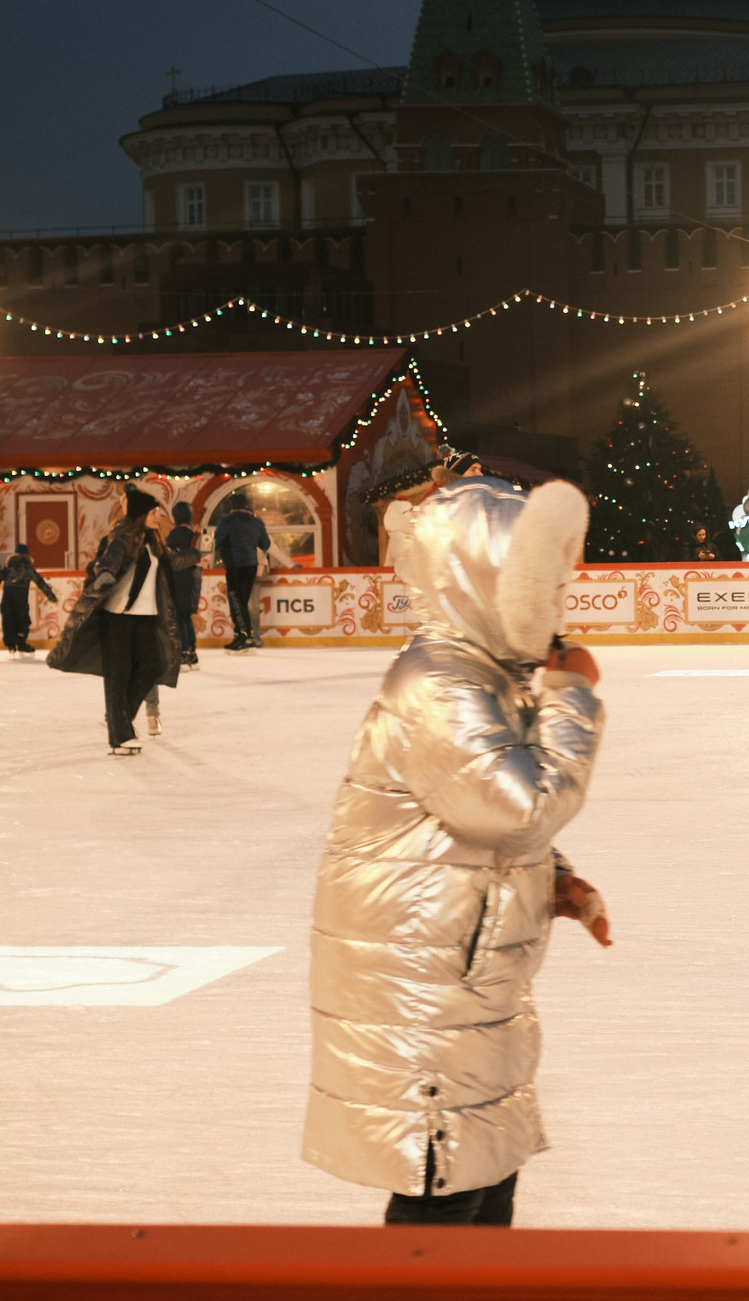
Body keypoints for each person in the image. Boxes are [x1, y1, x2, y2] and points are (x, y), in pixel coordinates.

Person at [303, 477, 608, 1229]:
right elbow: (522, 808)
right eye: (541, 587)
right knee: (444, 1195)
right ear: (487, 584)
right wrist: (573, 697)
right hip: (423, 990)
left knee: (484, 1179)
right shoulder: (438, 686)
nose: (558, 605)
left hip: (461, 981)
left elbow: (475, 820)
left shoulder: (483, 677)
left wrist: (555, 880)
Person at [48, 487, 185, 754]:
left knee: (153, 666)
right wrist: (106, 573)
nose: (158, 518)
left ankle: (118, 719)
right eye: (154, 513)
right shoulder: (122, 537)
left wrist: (197, 557)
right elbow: (109, 559)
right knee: (118, 676)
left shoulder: (152, 541)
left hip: (145, 618)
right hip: (117, 618)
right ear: (140, 514)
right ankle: (119, 737)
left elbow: (172, 560)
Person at [211, 493, 273, 651]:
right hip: (251, 565)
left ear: (231, 506)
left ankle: (243, 635)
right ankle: (244, 634)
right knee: (243, 600)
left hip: (234, 565)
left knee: (236, 601)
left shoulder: (227, 521)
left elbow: (217, 539)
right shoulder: (256, 521)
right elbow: (265, 543)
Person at [0, 543, 58, 656]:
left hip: (8, 595)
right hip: (21, 595)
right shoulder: (27, 566)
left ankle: (10, 645)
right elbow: (39, 581)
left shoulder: (8, 566)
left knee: (8, 619)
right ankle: (21, 643)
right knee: (22, 619)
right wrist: (51, 596)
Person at [164, 505, 204, 666]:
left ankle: (184, 651)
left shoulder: (176, 534)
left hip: (179, 578)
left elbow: (168, 556)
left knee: (180, 616)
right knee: (186, 616)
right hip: (193, 578)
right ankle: (191, 650)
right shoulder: (194, 535)